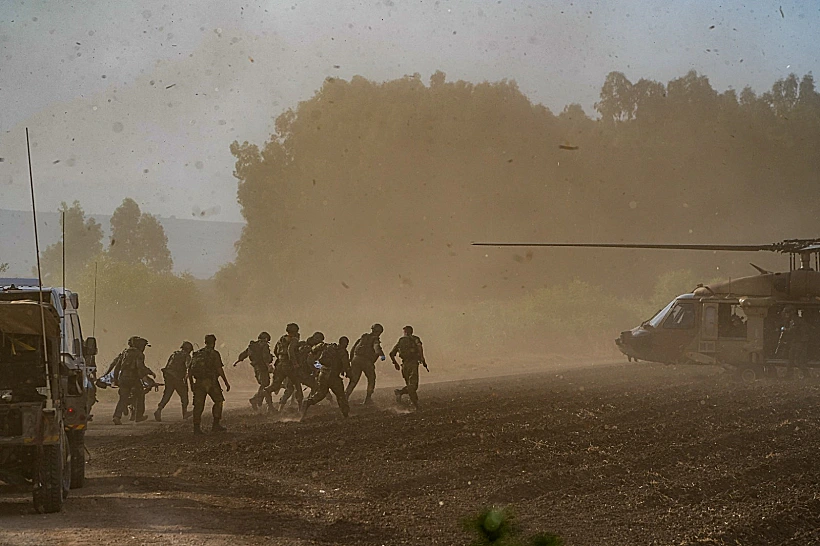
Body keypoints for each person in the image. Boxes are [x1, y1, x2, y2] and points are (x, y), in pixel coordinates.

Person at [189, 334, 231, 434]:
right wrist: (226, 383)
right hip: (211, 382)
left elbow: (190, 371)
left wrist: (191, 385)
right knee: (219, 401)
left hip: (199, 382)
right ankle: (215, 425)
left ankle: (196, 428)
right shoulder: (214, 354)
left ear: (205, 342)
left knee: (198, 405)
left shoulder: (197, 354)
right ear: (214, 342)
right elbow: (219, 369)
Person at [301, 336, 351, 420]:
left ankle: (308, 402)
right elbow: (346, 366)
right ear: (345, 344)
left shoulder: (329, 347)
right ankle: (346, 414)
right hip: (333, 377)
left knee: (320, 394)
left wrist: (317, 368)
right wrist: (349, 374)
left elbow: (315, 352)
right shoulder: (343, 352)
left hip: (322, 375)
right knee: (341, 395)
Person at [278, 331, 324, 412]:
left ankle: (280, 409)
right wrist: (316, 369)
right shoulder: (312, 349)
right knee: (314, 386)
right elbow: (311, 361)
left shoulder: (301, 344)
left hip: (294, 371)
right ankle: (304, 406)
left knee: (290, 390)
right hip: (301, 373)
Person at [112, 337, 154, 425]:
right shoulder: (139, 354)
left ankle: (117, 416)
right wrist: (148, 376)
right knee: (140, 395)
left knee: (123, 398)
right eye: (143, 346)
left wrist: (116, 379)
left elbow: (117, 367)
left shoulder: (124, 353)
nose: (144, 348)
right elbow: (140, 368)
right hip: (133, 379)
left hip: (123, 378)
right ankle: (138, 416)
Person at [345, 323, 386, 405]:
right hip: (366, 361)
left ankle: (345, 397)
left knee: (353, 380)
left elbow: (353, 348)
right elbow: (376, 348)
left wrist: (351, 359)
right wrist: (382, 355)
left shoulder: (363, 337)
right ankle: (368, 399)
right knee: (371, 379)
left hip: (355, 359)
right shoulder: (375, 339)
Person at [234, 332, 274, 412]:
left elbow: (244, 354)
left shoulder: (252, 346)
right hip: (262, 368)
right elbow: (265, 357)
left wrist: (237, 361)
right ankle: (257, 400)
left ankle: (265, 404)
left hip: (256, 368)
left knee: (264, 385)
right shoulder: (264, 345)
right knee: (265, 385)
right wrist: (268, 366)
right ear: (266, 339)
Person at [390, 325, 428, 409]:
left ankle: (416, 406)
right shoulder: (415, 339)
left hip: (404, 365)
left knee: (410, 385)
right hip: (413, 363)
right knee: (413, 386)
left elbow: (391, 354)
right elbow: (419, 347)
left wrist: (395, 363)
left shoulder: (400, 341)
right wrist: (423, 360)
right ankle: (400, 392)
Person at [154, 341, 193, 422]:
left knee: (167, 394)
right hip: (177, 378)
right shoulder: (187, 356)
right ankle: (185, 413)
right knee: (184, 395)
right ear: (188, 349)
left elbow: (168, 366)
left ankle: (159, 410)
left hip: (168, 376)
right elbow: (188, 367)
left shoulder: (174, 354)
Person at [267, 323, 303, 410]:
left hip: (280, 364)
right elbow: (290, 351)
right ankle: (300, 409)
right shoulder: (294, 340)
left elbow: (275, 351)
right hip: (289, 366)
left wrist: (281, 359)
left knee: (274, 386)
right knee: (297, 385)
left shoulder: (281, 339)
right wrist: (295, 363)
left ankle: (271, 406)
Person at [782, 306, 809, 379]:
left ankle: (806, 375)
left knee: (797, 358)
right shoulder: (796, 319)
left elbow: (793, 330)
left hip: (799, 341)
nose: (786, 315)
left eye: (787, 313)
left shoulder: (795, 320)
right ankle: (790, 375)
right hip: (797, 341)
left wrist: (785, 330)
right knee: (792, 358)